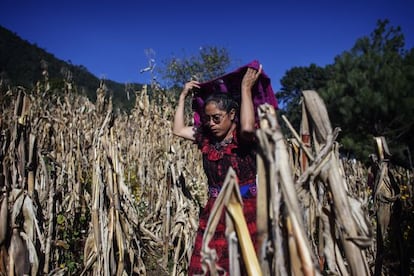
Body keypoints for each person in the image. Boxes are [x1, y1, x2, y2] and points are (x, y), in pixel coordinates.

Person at [173, 66, 262, 275]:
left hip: (247, 208)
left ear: (232, 115)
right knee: (208, 266)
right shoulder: (206, 138)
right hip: (215, 211)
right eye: (208, 118)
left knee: (248, 264)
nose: (211, 124)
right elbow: (178, 129)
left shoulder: (244, 138)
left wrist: (245, 88)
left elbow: (248, 126)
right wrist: (183, 96)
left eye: (217, 118)